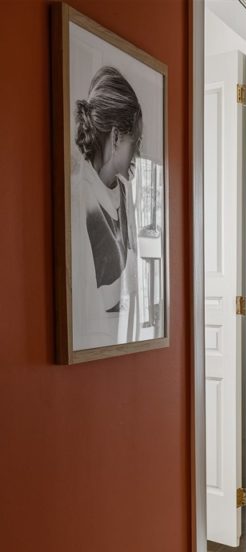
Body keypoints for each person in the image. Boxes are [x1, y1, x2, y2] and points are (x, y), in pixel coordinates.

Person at [70, 65, 143, 349]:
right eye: (134, 141)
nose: (137, 150)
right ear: (115, 138)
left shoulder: (125, 193)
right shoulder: (80, 195)